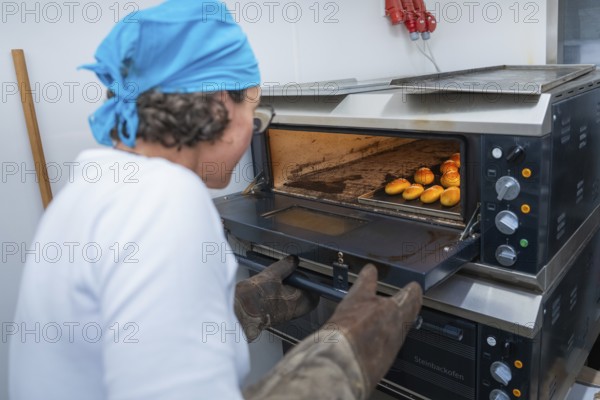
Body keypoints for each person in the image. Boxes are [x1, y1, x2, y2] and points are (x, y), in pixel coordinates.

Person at [9, 1, 422, 399]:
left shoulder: (95, 186)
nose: (250, 136)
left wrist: (239, 310)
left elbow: (125, 338)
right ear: (221, 105)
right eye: (255, 117)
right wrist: (342, 357)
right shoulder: (163, 200)